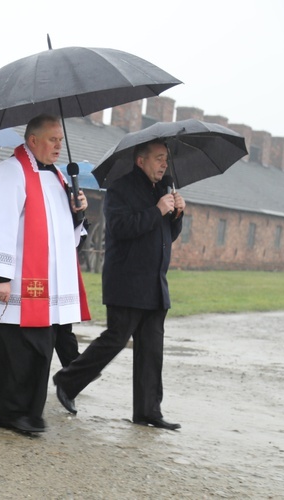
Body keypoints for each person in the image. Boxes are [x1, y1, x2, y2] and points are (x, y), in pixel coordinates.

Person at [0, 114, 90, 434]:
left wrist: (78, 213)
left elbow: (62, 230)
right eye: (53, 140)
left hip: (43, 284)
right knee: (22, 351)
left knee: (27, 350)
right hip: (18, 281)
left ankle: (5, 412)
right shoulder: (13, 172)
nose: (58, 147)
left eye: (60, 141)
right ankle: (18, 413)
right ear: (33, 140)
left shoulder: (57, 177)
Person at [52, 138, 186, 431]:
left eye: (166, 159)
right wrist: (158, 210)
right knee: (115, 339)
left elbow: (167, 236)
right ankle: (67, 380)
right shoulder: (120, 189)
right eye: (159, 158)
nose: (165, 164)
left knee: (152, 349)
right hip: (127, 280)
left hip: (155, 283)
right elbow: (121, 228)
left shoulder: (164, 190)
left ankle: (148, 411)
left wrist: (177, 214)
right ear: (142, 160)